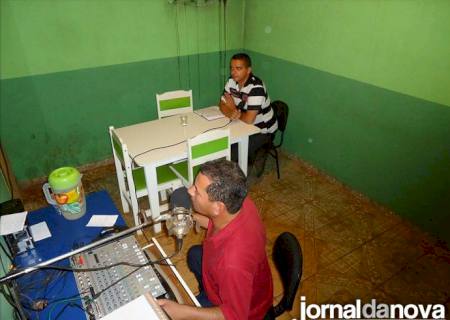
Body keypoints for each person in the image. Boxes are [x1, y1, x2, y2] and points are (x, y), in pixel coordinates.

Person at [158, 159, 273, 319]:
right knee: (194, 255)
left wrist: (182, 312)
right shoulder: (241, 203)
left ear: (218, 207)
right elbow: (218, 222)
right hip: (240, 282)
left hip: (246, 311)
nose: (190, 191)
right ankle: (208, 291)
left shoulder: (232, 263)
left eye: (196, 191)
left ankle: (206, 299)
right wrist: (194, 217)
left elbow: (235, 315)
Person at [219, 53, 278, 164]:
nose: (233, 72)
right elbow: (221, 104)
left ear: (248, 70)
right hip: (242, 123)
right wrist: (231, 111)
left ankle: (238, 177)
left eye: (238, 68)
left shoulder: (256, 87)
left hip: (263, 130)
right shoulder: (231, 81)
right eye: (231, 68)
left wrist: (232, 109)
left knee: (232, 153)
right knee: (220, 143)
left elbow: (249, 120)